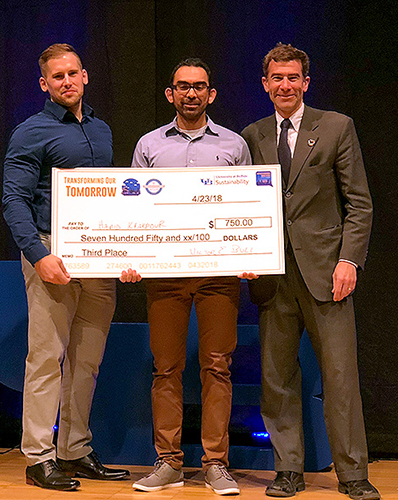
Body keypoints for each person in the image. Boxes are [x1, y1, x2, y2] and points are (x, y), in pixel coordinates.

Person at [241, 44, 380, 500]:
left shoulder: (337, 126)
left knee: (340, 378)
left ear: (306, 82)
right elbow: (239, 205)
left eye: (292, 78)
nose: (285, 85)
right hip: (271, 276)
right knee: (277, 379)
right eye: (276, 78)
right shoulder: (252, 135)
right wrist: (241, 252)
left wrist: (349, 259)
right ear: (265, 84)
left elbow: (358, 202)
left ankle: (353, 474)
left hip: (327, 273)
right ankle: (288, 470)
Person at [2, 43, 129, 491]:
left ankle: (74, 449)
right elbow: (13, 200)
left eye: (73, 73)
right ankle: (39, 456)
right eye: (57, 76)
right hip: (52, 252)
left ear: (85, 76)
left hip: (97, 257)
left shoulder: (103, 130)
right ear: (44, 84)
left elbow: (110, 199)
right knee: (46, 358)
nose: (67, 81)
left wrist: (125, 253)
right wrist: (39, 256)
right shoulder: (30, 132)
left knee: (87, 361)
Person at [127, 58, 252, 496]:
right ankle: (169, 463)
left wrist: (252, 251)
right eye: (183, 87)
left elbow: (247, 208)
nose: (192, 94)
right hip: (164, 277)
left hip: (219, 275)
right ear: (171, 94)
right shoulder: (149, 145)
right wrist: (132, 257)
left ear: (211, 94)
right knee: (166, 368)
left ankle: (216, 463)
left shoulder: (234, 145)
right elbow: (134, 213)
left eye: (199, 87)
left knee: (217, 367)